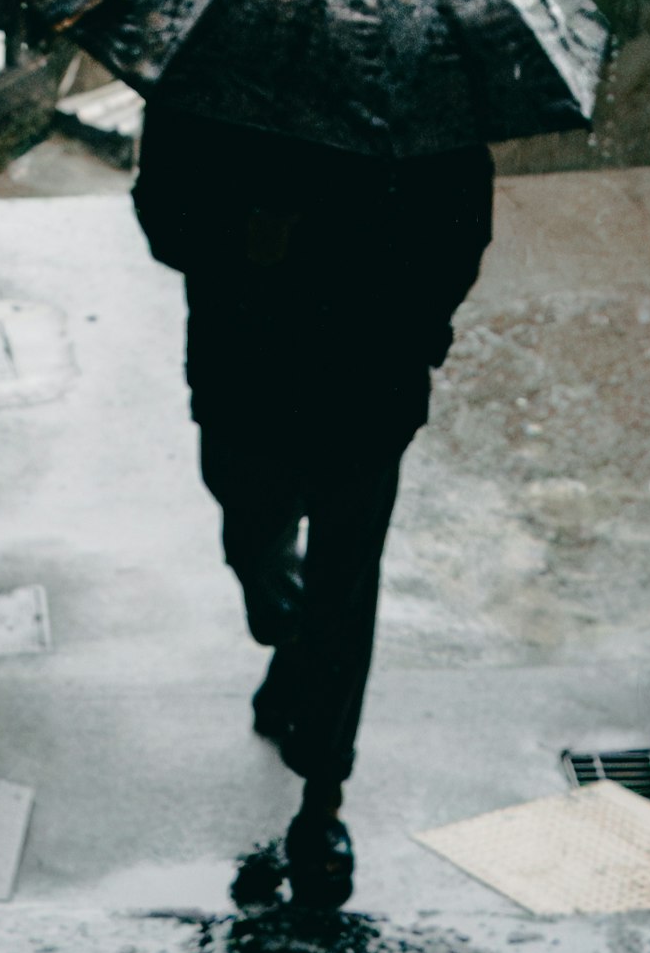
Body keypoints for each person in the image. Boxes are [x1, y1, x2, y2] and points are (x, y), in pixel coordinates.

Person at [131, 81, 494, 901]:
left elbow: (463, 219)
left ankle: (322, 794)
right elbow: (161, 210)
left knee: (343, 584)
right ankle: (289, 643)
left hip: (369, 379)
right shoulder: (213, 75)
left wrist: (421, 326)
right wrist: (236, 240)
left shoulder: (419, 74)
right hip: (246, 373)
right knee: (253, 541)